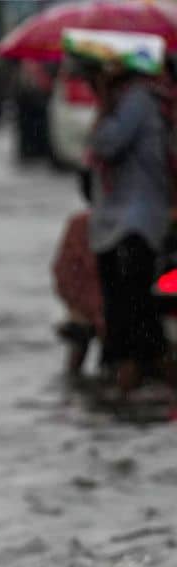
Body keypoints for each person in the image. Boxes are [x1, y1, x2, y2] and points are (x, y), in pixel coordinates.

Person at [86, 61, 172, 399]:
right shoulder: (134, 99)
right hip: (119, 219)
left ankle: (135, 374)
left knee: (132, 308)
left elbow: (106, 144)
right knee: (124, 306)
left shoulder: (137, 100)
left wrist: (104, 106)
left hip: (136, 220)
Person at [53, 171, 103, 379]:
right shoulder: (133, 224)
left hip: (86, 309)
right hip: (94, 311)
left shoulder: (78, 225)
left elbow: (63, 273)